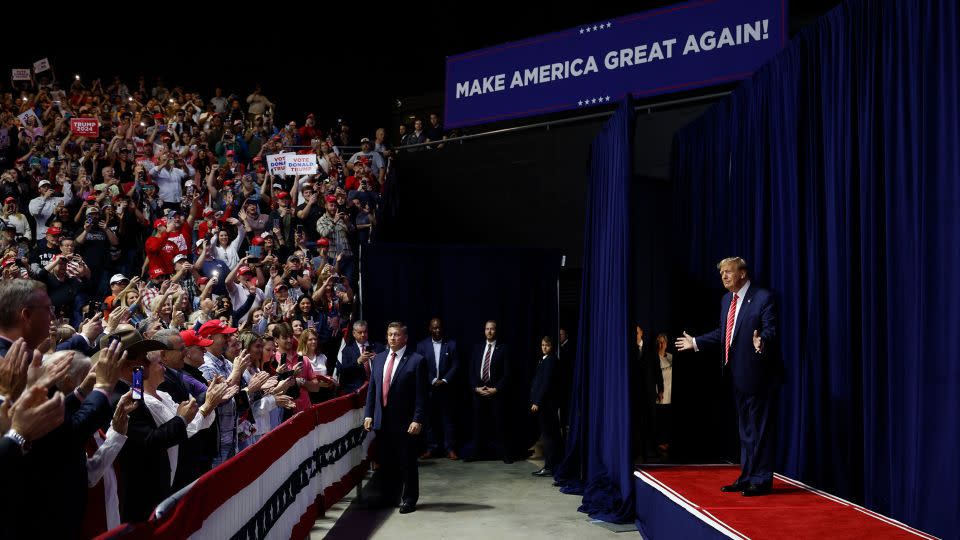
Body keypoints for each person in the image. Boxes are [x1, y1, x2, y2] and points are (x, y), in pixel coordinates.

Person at [675, 257, 781, 496]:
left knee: (759, 430)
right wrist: (696, 342)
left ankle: (761, 480)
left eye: (728, 272)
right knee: (745, 431)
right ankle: (747, 477)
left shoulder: (763, 297)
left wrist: (762, 341)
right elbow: (724, 333)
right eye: (721, 272)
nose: (723, 276)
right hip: (736, 376)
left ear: (742, 273)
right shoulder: (726, 301)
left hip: (759, 376)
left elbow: (770, 329)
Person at [363, 322, 428, 514]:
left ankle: (409, 499)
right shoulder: (379, 359)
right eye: (390, 334)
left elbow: (421, 395)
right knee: (386, 461)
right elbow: (372, 390)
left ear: (405, 338)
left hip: (406, 421)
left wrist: (417, 419)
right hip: (382, 420)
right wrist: (368, 414)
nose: (392, 338)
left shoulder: (417, 360)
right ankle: (387, 497)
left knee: (407, 462)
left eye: (397, 335)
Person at [466, 320, 512, 463]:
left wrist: (496, 389)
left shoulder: (503, 348)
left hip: (495, 392)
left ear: (496, 331)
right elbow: (472, 371)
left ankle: (505, 454)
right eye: (487, 329)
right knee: (478, 424)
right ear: (484, 331)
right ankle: (476, 453)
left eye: (492, 329)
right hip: (479, 391)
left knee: (500, 423)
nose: (489, 331)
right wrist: (475, 387)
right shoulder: (477, 348)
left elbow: (507, 373)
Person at [414, 317, 460, 459]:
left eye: (439, 327)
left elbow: (455, 365)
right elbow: (421, 366)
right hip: (429, 388)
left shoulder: (451, 344)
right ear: (430, 329)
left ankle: (449, 448)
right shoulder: (422, 345)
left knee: (448, 419)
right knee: (429, 420)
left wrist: (445, 380)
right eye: (434, 328)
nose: (437, 330)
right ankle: (431, 448)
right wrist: (433, 380)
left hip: (446, 388)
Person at [530, 336, 563, 477]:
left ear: (552, 346)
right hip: (545, 405)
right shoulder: (544, 360)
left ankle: (549, 466)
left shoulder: (550, 361)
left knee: (549, 436)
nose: (544, 347)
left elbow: (546, 384)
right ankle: (552, 465)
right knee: (549, 435)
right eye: (542, 345)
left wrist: (537, 402)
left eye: (547, 345)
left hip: (546, 405)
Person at [338, 320, 384, 393]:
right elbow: (343, 371)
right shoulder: (347, 351)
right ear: (354, 333)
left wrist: (379, 359)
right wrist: (358, 361)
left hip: (377, 388)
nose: (363, 335)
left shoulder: (379, 347)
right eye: (360, 332)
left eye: (365, 332)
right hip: (357, 391)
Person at [654, 333, 673, 459]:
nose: (662, 345)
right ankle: (660, 443)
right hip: (659, 394)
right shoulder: (655, 358)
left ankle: (667, 442)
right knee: (660, 419)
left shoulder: (671, 357)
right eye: (659, 342)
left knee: (668, 419)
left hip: (670, 392)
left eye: (663, 342)